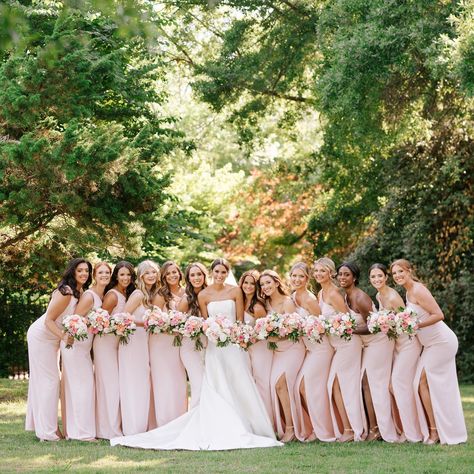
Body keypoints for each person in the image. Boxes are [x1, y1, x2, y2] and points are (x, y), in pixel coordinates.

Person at [111, 258, 282, 450]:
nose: (217, 275)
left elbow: (239, 319)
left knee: (238, 382)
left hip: (228, 344)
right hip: (203, 344)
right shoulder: (198, 297)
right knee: (207, 384)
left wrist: (235, 333)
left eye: (200, 274)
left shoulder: (233, 291)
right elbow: (182, 321)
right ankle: (204, 423)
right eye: (193, 274)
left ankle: (248, 425)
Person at [391, 259, 467, 445]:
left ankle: (434, 432)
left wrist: (415, 324)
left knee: (420, 383)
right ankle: (436, 429)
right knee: (422, 384)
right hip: (430, 345)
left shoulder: (418, 289)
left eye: (401, 271)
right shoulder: (408, 293)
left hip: (442, 342)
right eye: (394, 273)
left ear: (409, 270)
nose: (398, 275)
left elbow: (439, 315)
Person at [26, 258, 91, 441]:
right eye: (80, 270)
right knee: (49, 382)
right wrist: (64, 337)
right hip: (42, 337)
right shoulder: (65, 292)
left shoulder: (80, 292)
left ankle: (52, 428)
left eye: (86, 270)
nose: (84, 274)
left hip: (54, 338)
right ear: (72, 272)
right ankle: (47, 433)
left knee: (50, 381)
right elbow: (49, 320)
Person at [61, 261, 111, 441]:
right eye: (100, 272)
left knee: (83, 387)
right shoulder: (89, 296)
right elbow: (75, 319)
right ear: (95, 276)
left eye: (107, 273)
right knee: (81, 387)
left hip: (84, 347)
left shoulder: (101, 295)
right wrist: (93, 322)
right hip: (75, 345)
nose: (104, 275)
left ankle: (77, 431)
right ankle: (81, 434)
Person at [291, 261, 335, 442]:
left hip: (321, 348)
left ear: (307, 278)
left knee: (309, 388)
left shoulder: (309, 299)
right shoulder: (293, 296)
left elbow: (321, 325)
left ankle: (322, 430)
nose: (297, 279)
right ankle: (312, 427)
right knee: (300, 387)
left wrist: (304, 327)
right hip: (310, 350)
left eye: (301, 276)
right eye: (294, 276)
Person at [260, 269, 305, 442]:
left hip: (293, 348)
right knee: (275, 387)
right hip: (277, 351)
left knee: (280, 384)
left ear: (277, 283)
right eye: (262, 284)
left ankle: (291, 429)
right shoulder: (265, 305)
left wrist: (272, 335)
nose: (265, 287)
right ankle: (285, 425)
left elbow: (294, 330)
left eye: (268, 283)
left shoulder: (288, 302)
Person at [95, 260, 136, 439]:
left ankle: (111, 426)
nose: (125, 278)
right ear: (116, 276)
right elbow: (100, 322)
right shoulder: (112, 295)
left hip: (115, 345)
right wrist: (117, 325)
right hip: (104, 344)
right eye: (122, 275)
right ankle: (109, 430)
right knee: (109, 387)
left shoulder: (126, 293)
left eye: (128, 274)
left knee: (114, 387)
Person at [119, 260, 158, 435]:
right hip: (132, 342)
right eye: (147, 273)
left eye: (154, 272)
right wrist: (147, 322)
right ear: (141, 276)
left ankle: (141, 426)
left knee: (142, 383)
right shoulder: (137, 294)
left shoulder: (150, 295)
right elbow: (123, 317)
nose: (151, 276)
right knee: (133, 383)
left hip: (143, 343)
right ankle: (133, 428)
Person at [150, 261, 187, 427]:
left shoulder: (187, 292)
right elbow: (155, 321)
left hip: (179, 343)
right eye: (168, 273)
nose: (173, 275)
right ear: (163, 277)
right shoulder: (160, 294)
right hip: (162, 342)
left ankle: (180, 419)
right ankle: (164, 422)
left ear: (179, 273)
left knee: (178, 380)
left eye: (175, 272)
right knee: (163, 380)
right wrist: (170, 329)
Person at [239, 269, 273, 422]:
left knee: (262, 384)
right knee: (251, 384)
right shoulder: (239, 302)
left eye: (252, 283)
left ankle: (268, 422)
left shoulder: (258, 307)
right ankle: (254, 421)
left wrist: (248, 341)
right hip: (247, 350)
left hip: (260, 349)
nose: (248, 286)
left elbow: (264, 332)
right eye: (246, 282)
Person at [177, 262, 207, 408]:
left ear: (204, 275)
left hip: (208, 346)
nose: (196, 278)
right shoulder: (186, 299)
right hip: (189, 347)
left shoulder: (210, 295)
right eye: (192, 275)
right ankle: (195, 418)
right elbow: (175, 324)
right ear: (188, 278)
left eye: (199, 274)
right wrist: (191, 327)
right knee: (198, 383)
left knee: (209, 383)